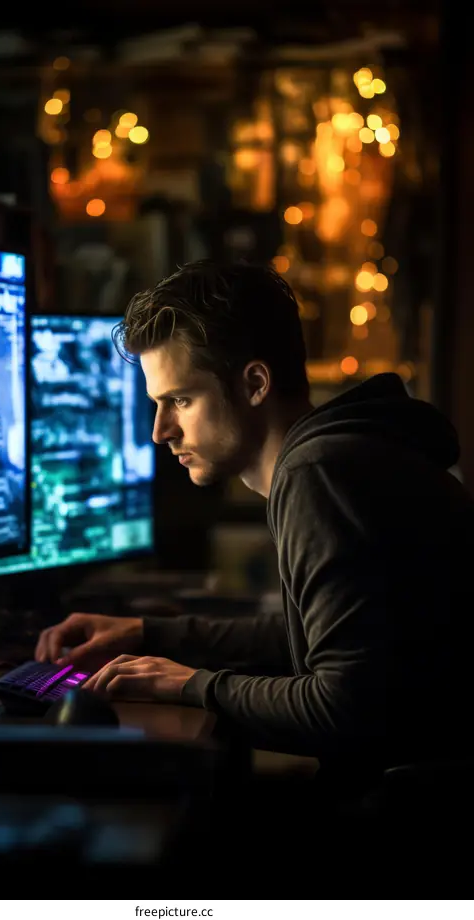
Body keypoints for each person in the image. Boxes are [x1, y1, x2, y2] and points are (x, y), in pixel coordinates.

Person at [35, 258, 474, 800]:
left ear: (255, 384)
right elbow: (314, 641)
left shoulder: (316, 474)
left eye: (179, 400)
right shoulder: (344, 453)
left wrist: (191, 686)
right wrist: (149, 634)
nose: (160, 432)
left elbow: (345, 707)